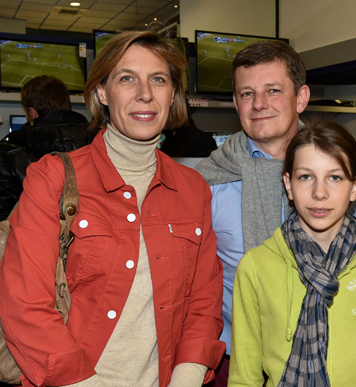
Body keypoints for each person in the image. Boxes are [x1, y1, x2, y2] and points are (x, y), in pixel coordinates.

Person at [0, 30, 225, 387]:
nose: (145, 94)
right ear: (102, 92)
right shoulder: (52, 178)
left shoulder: (192, 188)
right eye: (127, 78)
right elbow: (24, 305)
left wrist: (188, 376)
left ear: (172, 94)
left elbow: (203, 301)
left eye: (158, 80)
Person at [194, 40, 356, 386]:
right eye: (247, 94)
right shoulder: (209, 182)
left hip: (333, 355)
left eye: (273, 90)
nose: (259, 104)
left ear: (302, 98)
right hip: (237, 363)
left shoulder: (343, 175)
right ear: (235, 103)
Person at [229, 121, 356, 387]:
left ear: (355, 186)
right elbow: (243, 379)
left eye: (335, 177)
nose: (319, 193)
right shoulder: (256, 266)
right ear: (288, 185)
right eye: (306, 177)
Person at [0, 75, 99, 220]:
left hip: (33, 235)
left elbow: (4, 216)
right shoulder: (102, 139)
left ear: (32, 113)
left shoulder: (8, 150)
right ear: (67, 105)